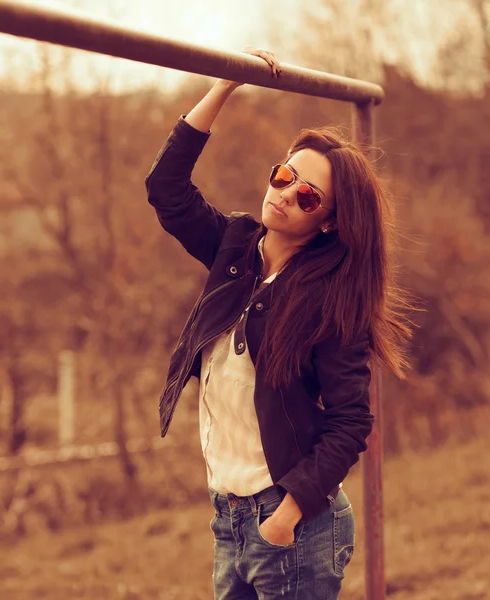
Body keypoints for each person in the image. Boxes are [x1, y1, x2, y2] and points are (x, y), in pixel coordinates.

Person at [145, 48, 413, 600]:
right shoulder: (235, 248)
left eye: (307, 195)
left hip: (293, 524)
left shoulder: (331, 302)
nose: (286, 194)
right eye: (285, 175)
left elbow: (351, 421)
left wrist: (287, 514)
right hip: (229, 515)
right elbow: (166, 190)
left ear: (329, 221)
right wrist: (223, 87)